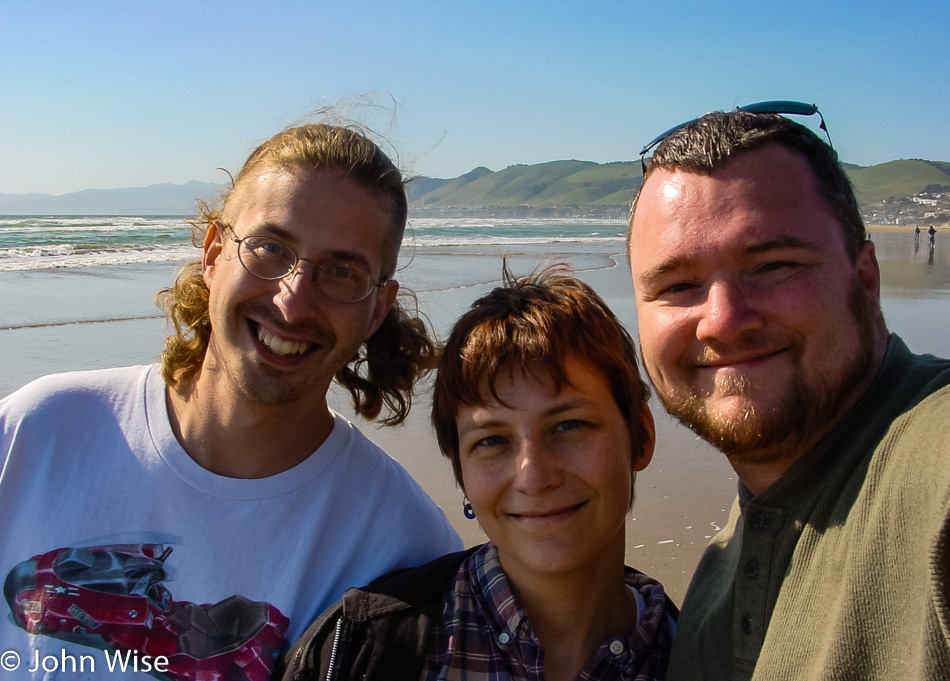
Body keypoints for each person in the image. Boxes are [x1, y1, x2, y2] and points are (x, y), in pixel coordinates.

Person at [0, 122, 461, 680]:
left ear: (377, 308)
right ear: (214, 253)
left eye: (342, 271)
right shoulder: (37, 432)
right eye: (270, 248)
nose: (293, 303)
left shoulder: (401, 542)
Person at [628, 105, 950, 680]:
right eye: (678, 286)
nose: (722, 322)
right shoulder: (718, 573)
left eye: (774, 265)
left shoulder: (935, 457)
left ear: (866, 278)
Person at [281, 265, 678, 681]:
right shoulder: (359, 649)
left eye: (569, 426)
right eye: (492, 440)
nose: (534, 476)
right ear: (461, 471)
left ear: (641, 436)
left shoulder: (707, 654)